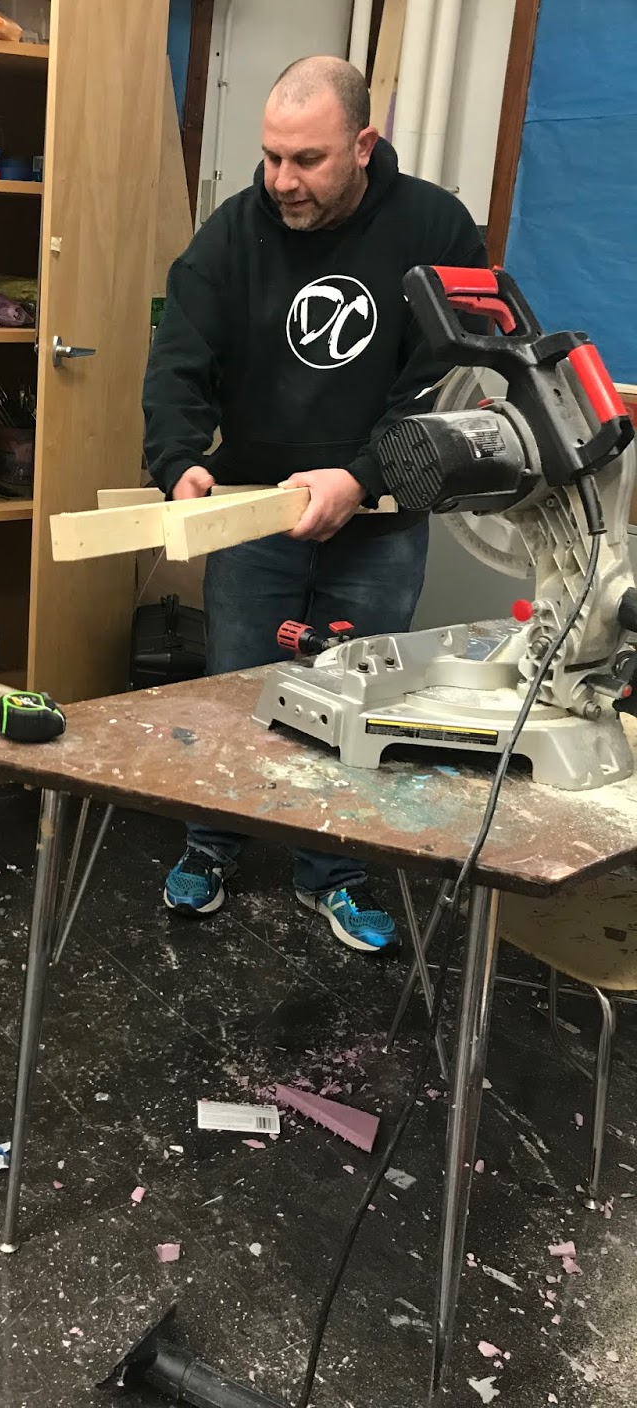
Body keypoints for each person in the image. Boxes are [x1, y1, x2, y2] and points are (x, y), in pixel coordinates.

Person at [142, 55, 486, 953]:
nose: (282, 181)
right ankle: (211, 844)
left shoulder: (437, 227)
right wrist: (179, 460)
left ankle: (331, 869)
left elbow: (443, 385)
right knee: (240, 688)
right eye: (271, 157)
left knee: (357, 704)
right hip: (255, 509)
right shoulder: (234, 231)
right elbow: (179, 353)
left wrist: (363, 477)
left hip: (379, 523)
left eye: (308, 160)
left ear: (364, 144)